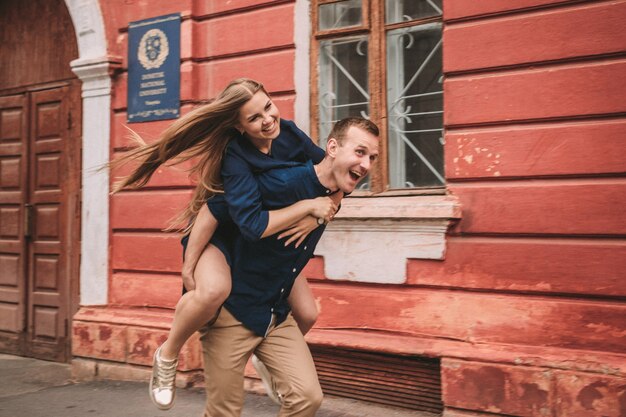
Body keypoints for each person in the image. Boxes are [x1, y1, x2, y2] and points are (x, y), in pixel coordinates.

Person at [111, 78, 339, 410]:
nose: (267, 119)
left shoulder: (289, 133)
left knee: (306, 312)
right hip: (222, 235)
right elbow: (237, 220)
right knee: (212, 291)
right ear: (238, 125)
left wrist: (324, 209)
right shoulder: (235, 155)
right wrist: (189, 265)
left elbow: (332, 173)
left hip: (266, 244)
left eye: (268, 106)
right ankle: (168, 354)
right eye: (254, 118)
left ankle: (265, 359)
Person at [199, 117, 379, 416]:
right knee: (224, 412)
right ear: (332, 148)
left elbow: (337, 189)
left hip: (275, 312)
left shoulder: (335, 189)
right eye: (360, 153)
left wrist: (323, 210)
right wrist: (190, 265)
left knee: (306, 397)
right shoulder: (285, 181)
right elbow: (216, 207)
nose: (367, 165)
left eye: (372, 157)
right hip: (234, 310)